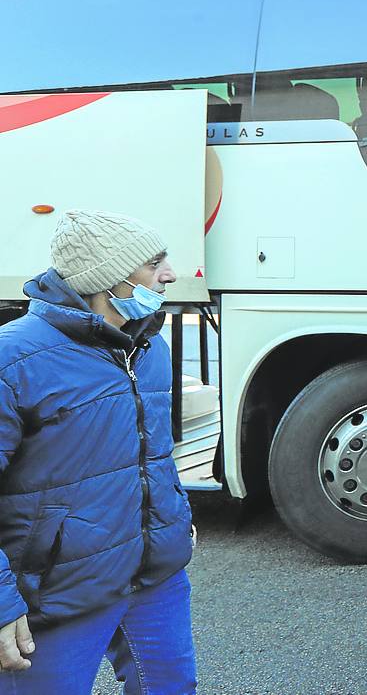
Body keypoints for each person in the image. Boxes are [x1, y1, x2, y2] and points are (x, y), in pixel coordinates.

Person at [0, 210, 196, 694]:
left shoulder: (146, 345)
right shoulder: (14, 359)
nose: (170, 273)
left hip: (155, 577)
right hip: (57, 591)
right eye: (154, 263)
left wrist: (173, 516)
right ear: (106, 280)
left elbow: (154, 454)